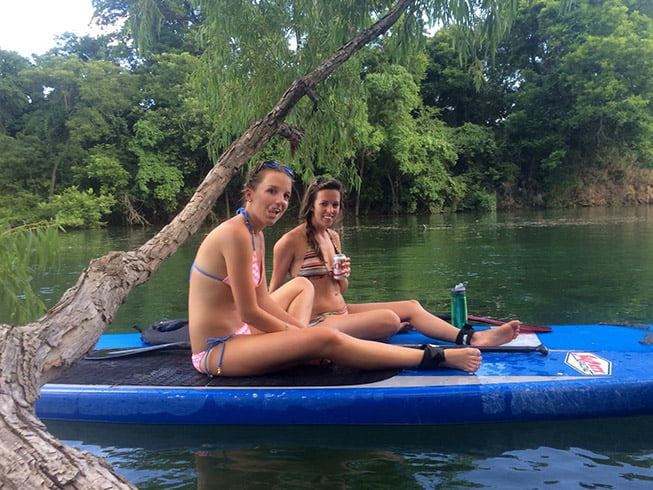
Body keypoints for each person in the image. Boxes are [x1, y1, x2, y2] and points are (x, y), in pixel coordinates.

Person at [188, 161, 483, 376]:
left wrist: (301, 334)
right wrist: (301, 337)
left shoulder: (257, 233)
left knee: (311, 319)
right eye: (271, 191)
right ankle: (436, 358)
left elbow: (264, 299)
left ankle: (311, 342)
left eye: (286, 195)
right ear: (249, 194)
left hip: (242, 335)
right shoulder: (235, 234)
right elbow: (250, 311)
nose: (279, 201)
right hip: (217, 349)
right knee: (324, 339)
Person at [269, 177, 520, 346]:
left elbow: (339, 290)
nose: (330, 210)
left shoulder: (333, 237)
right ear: (311, 205)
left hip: (342, 311)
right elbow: (273, 297)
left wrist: (341, 277)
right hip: (319, 320)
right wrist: (294, 335)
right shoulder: (290, 242)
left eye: (335, 204)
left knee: (411, 305)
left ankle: (470, 338)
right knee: (389, 319)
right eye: (324, 204)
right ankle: (380, 328)